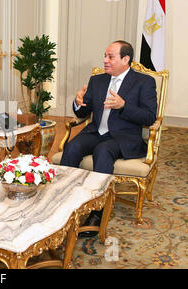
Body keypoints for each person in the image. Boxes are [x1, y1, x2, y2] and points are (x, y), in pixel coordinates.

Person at [60, 40, 157, 237]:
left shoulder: (144, 82)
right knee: (72, 147)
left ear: (126, 59)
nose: (105, 60)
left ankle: (97, 213)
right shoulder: (98, 80)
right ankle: (62, 200)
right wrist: (78, 103)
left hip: (123, 137)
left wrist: (123, 106)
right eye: (105, 55)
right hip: (97, 132)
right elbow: (84, 110)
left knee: (103, 151)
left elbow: (149, 117)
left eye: (110, 57)